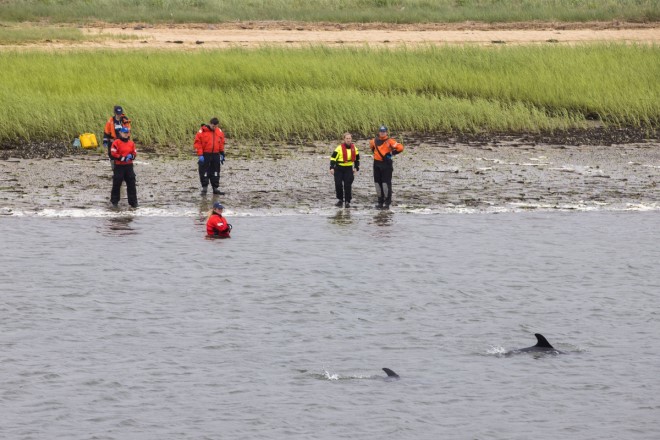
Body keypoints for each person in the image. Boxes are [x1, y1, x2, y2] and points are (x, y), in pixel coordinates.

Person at [369, 125, 404, 209]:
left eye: (384, 131)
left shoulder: (390, 141)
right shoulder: (373, 141)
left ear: (386, 132)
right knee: (377, 183)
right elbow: (372, 149)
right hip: (376, 164)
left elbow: (400, 148)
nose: (382, 133)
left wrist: (391, 153)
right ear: (379, 132)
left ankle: (387, 203)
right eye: (381, 131)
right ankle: (380, 201)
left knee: (385, 183)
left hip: (386, 164)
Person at [194, 117, 226, 195]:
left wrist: (222, 153)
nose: (214, 128)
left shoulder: (219, 131)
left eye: (216, 126)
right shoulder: (202, 132)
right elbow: (198, 143)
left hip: (215, 154)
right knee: (204, 171)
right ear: (210, 124)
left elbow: (221, 142)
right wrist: (200, 155)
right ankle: (204, 188)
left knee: (215, 171)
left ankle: (215, 188)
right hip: (205, 154)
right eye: (213, 126)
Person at [109, 127, 138, 208]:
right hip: (119, 166)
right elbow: (113, 153)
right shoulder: (116, 142)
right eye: (124, 133)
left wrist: (131, 156)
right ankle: (114, 201)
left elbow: (134, 152)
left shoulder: (131, 143)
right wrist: (122, 158)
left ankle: (133, 202)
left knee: (131, 183)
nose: (126, 134)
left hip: (129, 166)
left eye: (127, 133)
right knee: (117, 183)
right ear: (120, 133)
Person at [329, 132, 360, 208]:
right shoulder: (339, 148)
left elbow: (357, 160)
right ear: (344, 139)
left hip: (348, 169)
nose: (348, 140)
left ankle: (347, 201)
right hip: (339, 168)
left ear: (351, 139)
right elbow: (333, 158)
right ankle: (340, 200)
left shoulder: (355, 149)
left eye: (349, 138)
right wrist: (332, 168)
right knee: (338, 184)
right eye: (347, 138)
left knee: (347, 185)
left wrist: (356, 167)